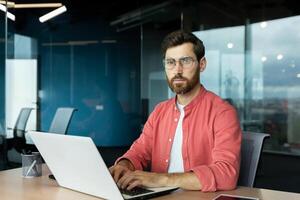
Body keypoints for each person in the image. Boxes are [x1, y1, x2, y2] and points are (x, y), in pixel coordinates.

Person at [109, 30, 242, 192]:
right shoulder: (160, 110)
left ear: (202, 64)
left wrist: (161, 179)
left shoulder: (222, 112)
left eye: (185, 61)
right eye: (170, 62)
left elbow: (226, 173)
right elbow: (140, 151)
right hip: (157, 195)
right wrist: (124, 165)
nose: (177, 70)